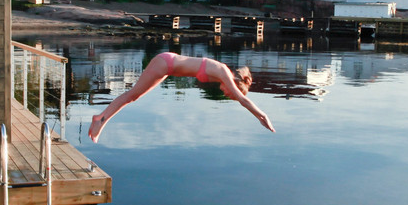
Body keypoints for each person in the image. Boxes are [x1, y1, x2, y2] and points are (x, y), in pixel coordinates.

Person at [87, 51, 275, 142]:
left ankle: (100, 119)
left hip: (166, 68)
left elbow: (240, 97)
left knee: (133, 97)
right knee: (131, 95)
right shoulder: (223, 72)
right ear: (235, 84)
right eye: (230, 93)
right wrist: (262, 116)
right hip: (165, 63)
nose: (227, 94)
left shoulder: (221, 73)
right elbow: (243, 100)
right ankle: (100, 120)